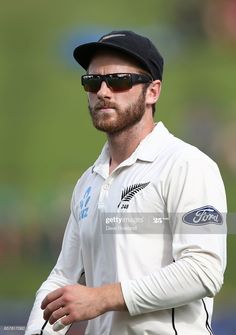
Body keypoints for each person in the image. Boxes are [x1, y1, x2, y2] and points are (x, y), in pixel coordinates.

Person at [25, 30, 227, 335]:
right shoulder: (88, 182)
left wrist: (103, 298)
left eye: (119, 81)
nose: (103, 92)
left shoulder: (188, 165)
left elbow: (204, 271)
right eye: (93, 82)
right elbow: (62, 279)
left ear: (153, 92)